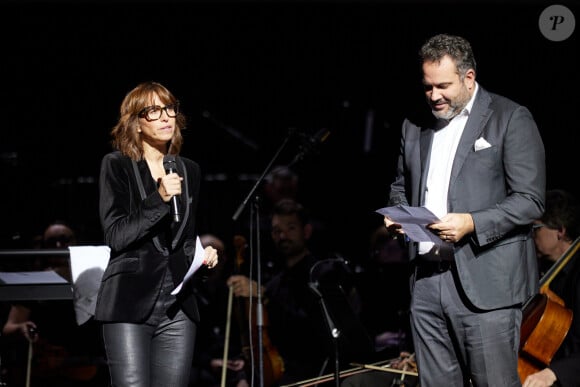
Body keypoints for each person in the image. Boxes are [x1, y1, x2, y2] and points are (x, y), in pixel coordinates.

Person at [383, 33, 546, 386]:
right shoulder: (415, 124)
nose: (434, 96)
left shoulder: (509, 117)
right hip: (426, 282)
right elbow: (401, 186)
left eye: (443, 86)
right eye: (427, 87)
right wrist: (396, 214)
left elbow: (530, 200)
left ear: (468, 78)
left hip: (486, 283)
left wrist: (473, 222)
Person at [95, 81, 219, 387]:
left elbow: (185, 236)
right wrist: (158, 199)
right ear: (136, 122)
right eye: (153, 111)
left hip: (178, 306)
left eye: (169, 109)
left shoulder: (188, 169)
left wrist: (202, 257)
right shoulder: (117, 165)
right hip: (128, 301)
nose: (165, 117)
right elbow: (117, 236)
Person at [226, 198, 337, 386]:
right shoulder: (275, 282)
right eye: (277, 231)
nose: (283, 236)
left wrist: (263, 296)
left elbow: (310, 332)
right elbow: (258, 339)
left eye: (291, 228)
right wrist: (245, 375)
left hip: (311, 374)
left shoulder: (322, 274)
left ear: (306, 231)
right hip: (276, 372)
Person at [1, 221, 107, 387]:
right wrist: (22, 328)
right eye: (51, 242)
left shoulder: (93, 278)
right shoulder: (33, 282)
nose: (59, 246)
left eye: (65, 240)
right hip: (47, 369)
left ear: (75, 243)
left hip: (86, 366)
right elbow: (9, 326)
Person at [522, 189, 580, 387]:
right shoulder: (543, 271)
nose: (532, 235)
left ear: (560, 232)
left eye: (536, 228)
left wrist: (554, 373)